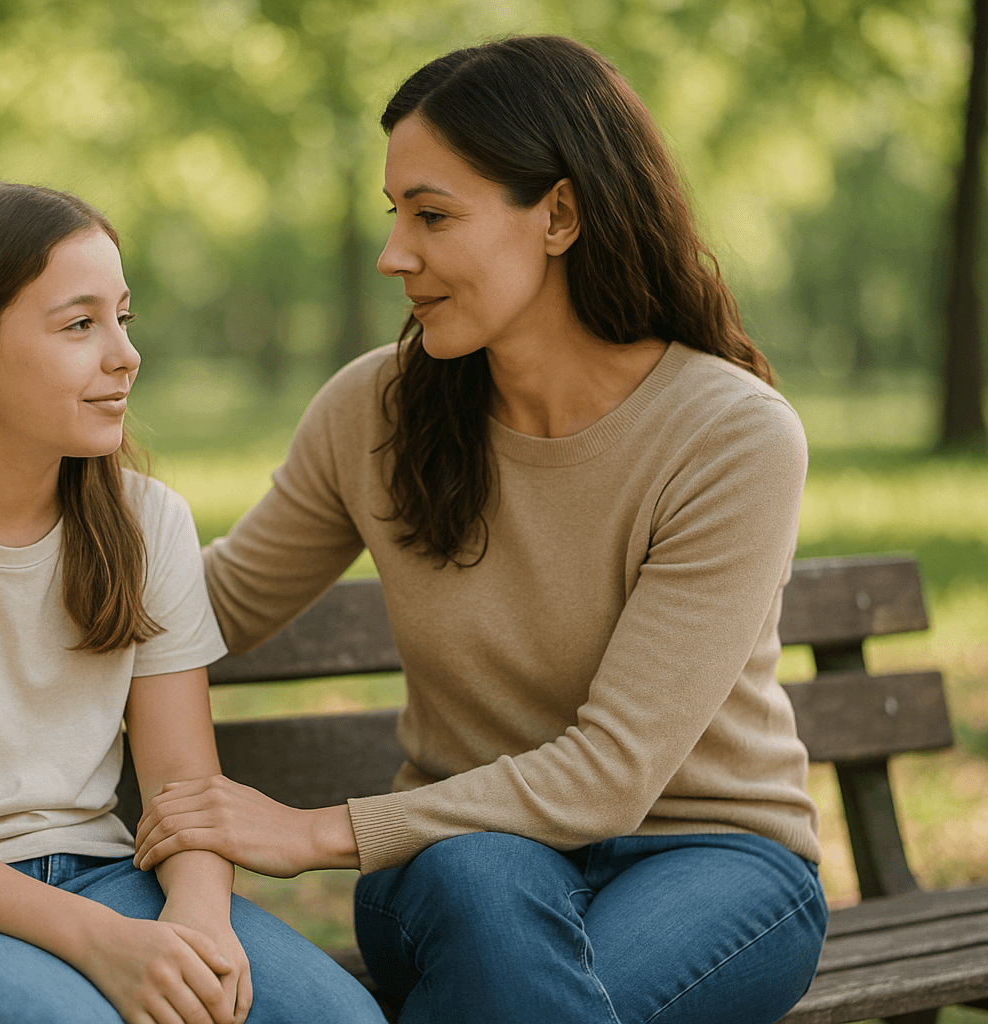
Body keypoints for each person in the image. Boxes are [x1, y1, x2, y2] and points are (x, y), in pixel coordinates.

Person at [133, 35, 828, 1024]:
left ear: (559, 214)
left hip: (715, 860)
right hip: (456, 870)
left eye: (432, 216)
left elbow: (611, 774)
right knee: (481, 889)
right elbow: (213, 604)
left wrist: (320, 830)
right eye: (395, 216)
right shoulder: (374, 410)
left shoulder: (730, 435)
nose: (393, 254)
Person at [0, 181, 386, 1024]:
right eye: (80, 324)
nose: (125, 354)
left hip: (102, 876)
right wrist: (101, 943)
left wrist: (198, 925)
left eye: (124, 318)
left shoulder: (145, 521)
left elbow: (183, 785)